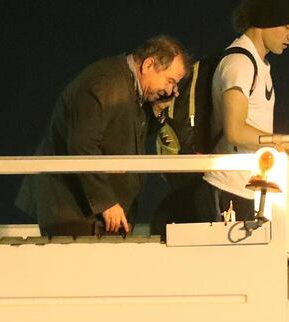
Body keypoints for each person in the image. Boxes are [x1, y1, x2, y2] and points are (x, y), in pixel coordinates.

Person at [16, 35, 188, 236]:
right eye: (170, 81)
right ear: (148, 65)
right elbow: (82, 145)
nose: (171, 90)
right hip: (75, 213)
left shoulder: (127, 87)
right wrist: (106, 203)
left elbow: (124, 136)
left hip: (94, 214)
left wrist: (157, 110)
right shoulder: (105, 82)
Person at [191, 0, 289, 224]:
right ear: (266, 21)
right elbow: (235, 132)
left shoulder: (260, 65)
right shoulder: (239, 63)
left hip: (244, 190)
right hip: (225, 191)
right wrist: (285, 145)